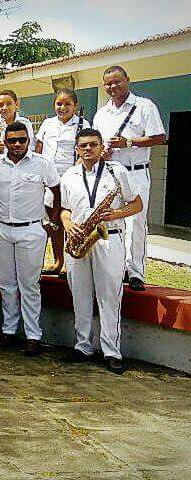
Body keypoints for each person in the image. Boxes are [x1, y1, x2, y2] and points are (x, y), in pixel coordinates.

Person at [60, 128, 143, 374]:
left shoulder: (117, 171)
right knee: (80, 295)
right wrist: (67, 223)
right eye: (83, 145)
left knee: (109, 297)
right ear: (77, 149)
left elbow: (137, 204)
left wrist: (115, 214)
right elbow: (65, 209)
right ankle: (82, 346)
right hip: (79, 239)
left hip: (109, 239)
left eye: (93, 144)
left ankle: (111, 352)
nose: (88, 149)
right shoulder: (69, 175)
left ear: (101, 147)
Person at [0, 121, 61, 356]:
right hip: (1, 230)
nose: (17, 144)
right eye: (12, 140)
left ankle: (33, 335)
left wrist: (53, 221)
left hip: (31, 231)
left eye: (22, 140)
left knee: (29, 285)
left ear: (29, 140)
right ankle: (8, 331)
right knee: (6, 284)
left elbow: (56, 191)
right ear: (5, 142)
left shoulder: (42, 164)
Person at [92, 66, 166, 292]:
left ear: (128, 80)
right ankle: (116, 268)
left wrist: (129, 142)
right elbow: (96, 142)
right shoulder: (102, 113)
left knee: (136, 223)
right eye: (108, 84)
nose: (112, 87)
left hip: (135, 172)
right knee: (112, 220)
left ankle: (135, 273)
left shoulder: (144, 106)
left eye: (117, 82)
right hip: (110, 172)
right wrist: (102, 152)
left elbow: (160, 137)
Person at [35, 89, 90, 275]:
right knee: (53, 222)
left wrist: (74, 172)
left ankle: (69, 262)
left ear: (75, 106)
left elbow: (84, 151)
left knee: (69, 220)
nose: (62, 107)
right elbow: (39, 147)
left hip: (70, 179)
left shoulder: (82, 124)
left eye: (67, 104)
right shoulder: (48, 123)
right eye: (59, 103)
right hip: (48, 180)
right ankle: (58, 261)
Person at [0, 90, 35, 271]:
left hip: (19, 172)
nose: (4, 108)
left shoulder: (25, 123)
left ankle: (18, 256)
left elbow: (31, 147)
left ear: (17, 104)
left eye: (8, 103)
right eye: (0, 105)